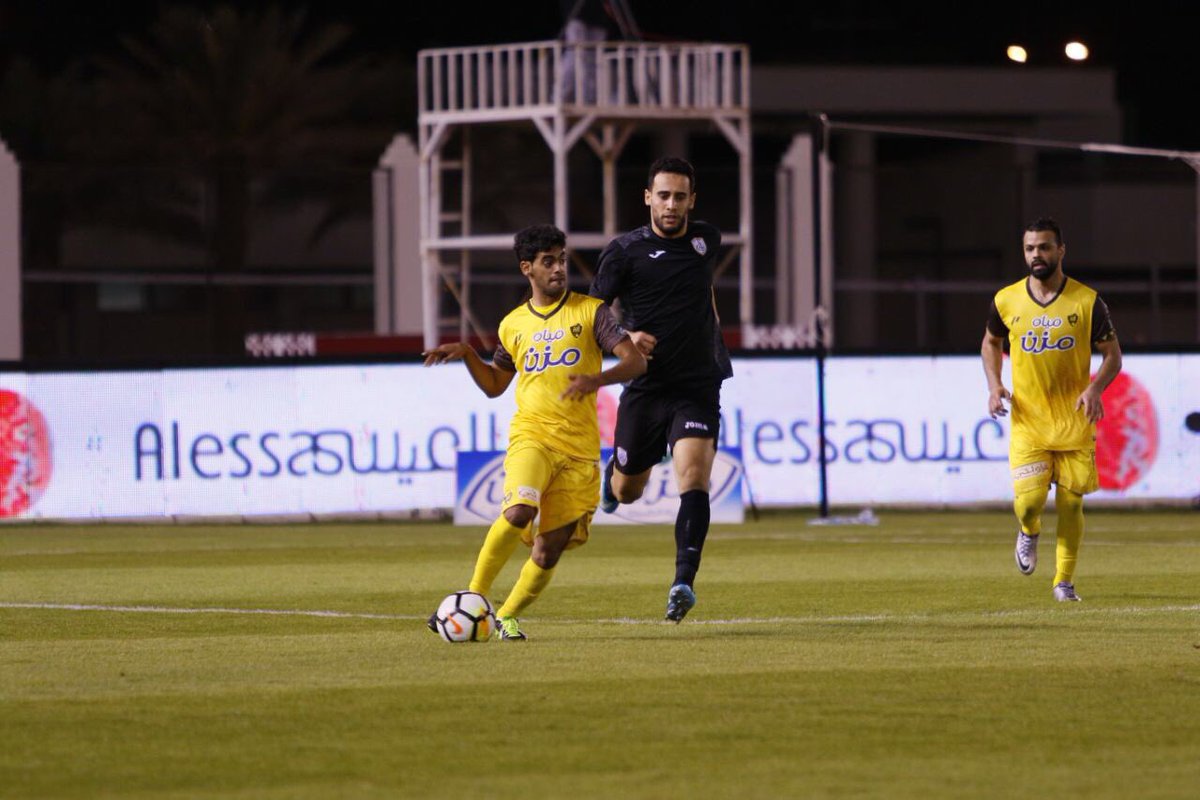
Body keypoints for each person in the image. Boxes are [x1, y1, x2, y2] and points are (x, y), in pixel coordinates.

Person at [424, 224, 645, 639]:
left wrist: (597, 380)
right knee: (518, 512)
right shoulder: (512, 325)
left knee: (548, 550)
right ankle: (472, 598)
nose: (559, 268)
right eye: (548, 262)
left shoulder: (591, 312)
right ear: (527, 268)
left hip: (579, 450)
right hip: (533, 436)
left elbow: (636, 361)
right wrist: (469, 354)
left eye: (561, 260)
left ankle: (506, 616)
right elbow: (495, 385)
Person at [589, 156, 732, 622]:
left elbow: (703, 291)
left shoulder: (706, 240)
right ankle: (615, 473)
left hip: (698, 384)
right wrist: (626, 337)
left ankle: (683, 582)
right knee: (628, 491)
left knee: (694, 477)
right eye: (664, 195)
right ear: (648, 197)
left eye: (680, 197)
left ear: (692, 200)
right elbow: (590, 313)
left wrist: (711, 338)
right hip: (646, 386)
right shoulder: (623, 252)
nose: (671, 205)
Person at [981, 217, 1122, 602]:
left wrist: (1095, 388)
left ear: (1061, 250)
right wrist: (994, 385)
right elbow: (991, 342)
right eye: (1030, 248)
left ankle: (1064, 582)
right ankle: (1029, 531)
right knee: (1029, 504)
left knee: (1071, 504)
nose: (1036, 254)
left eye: (1044, 247)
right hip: (1029, 421)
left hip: (1075, 420)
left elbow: (1112, 355)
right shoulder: (1006, 300)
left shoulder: (1087, 301)